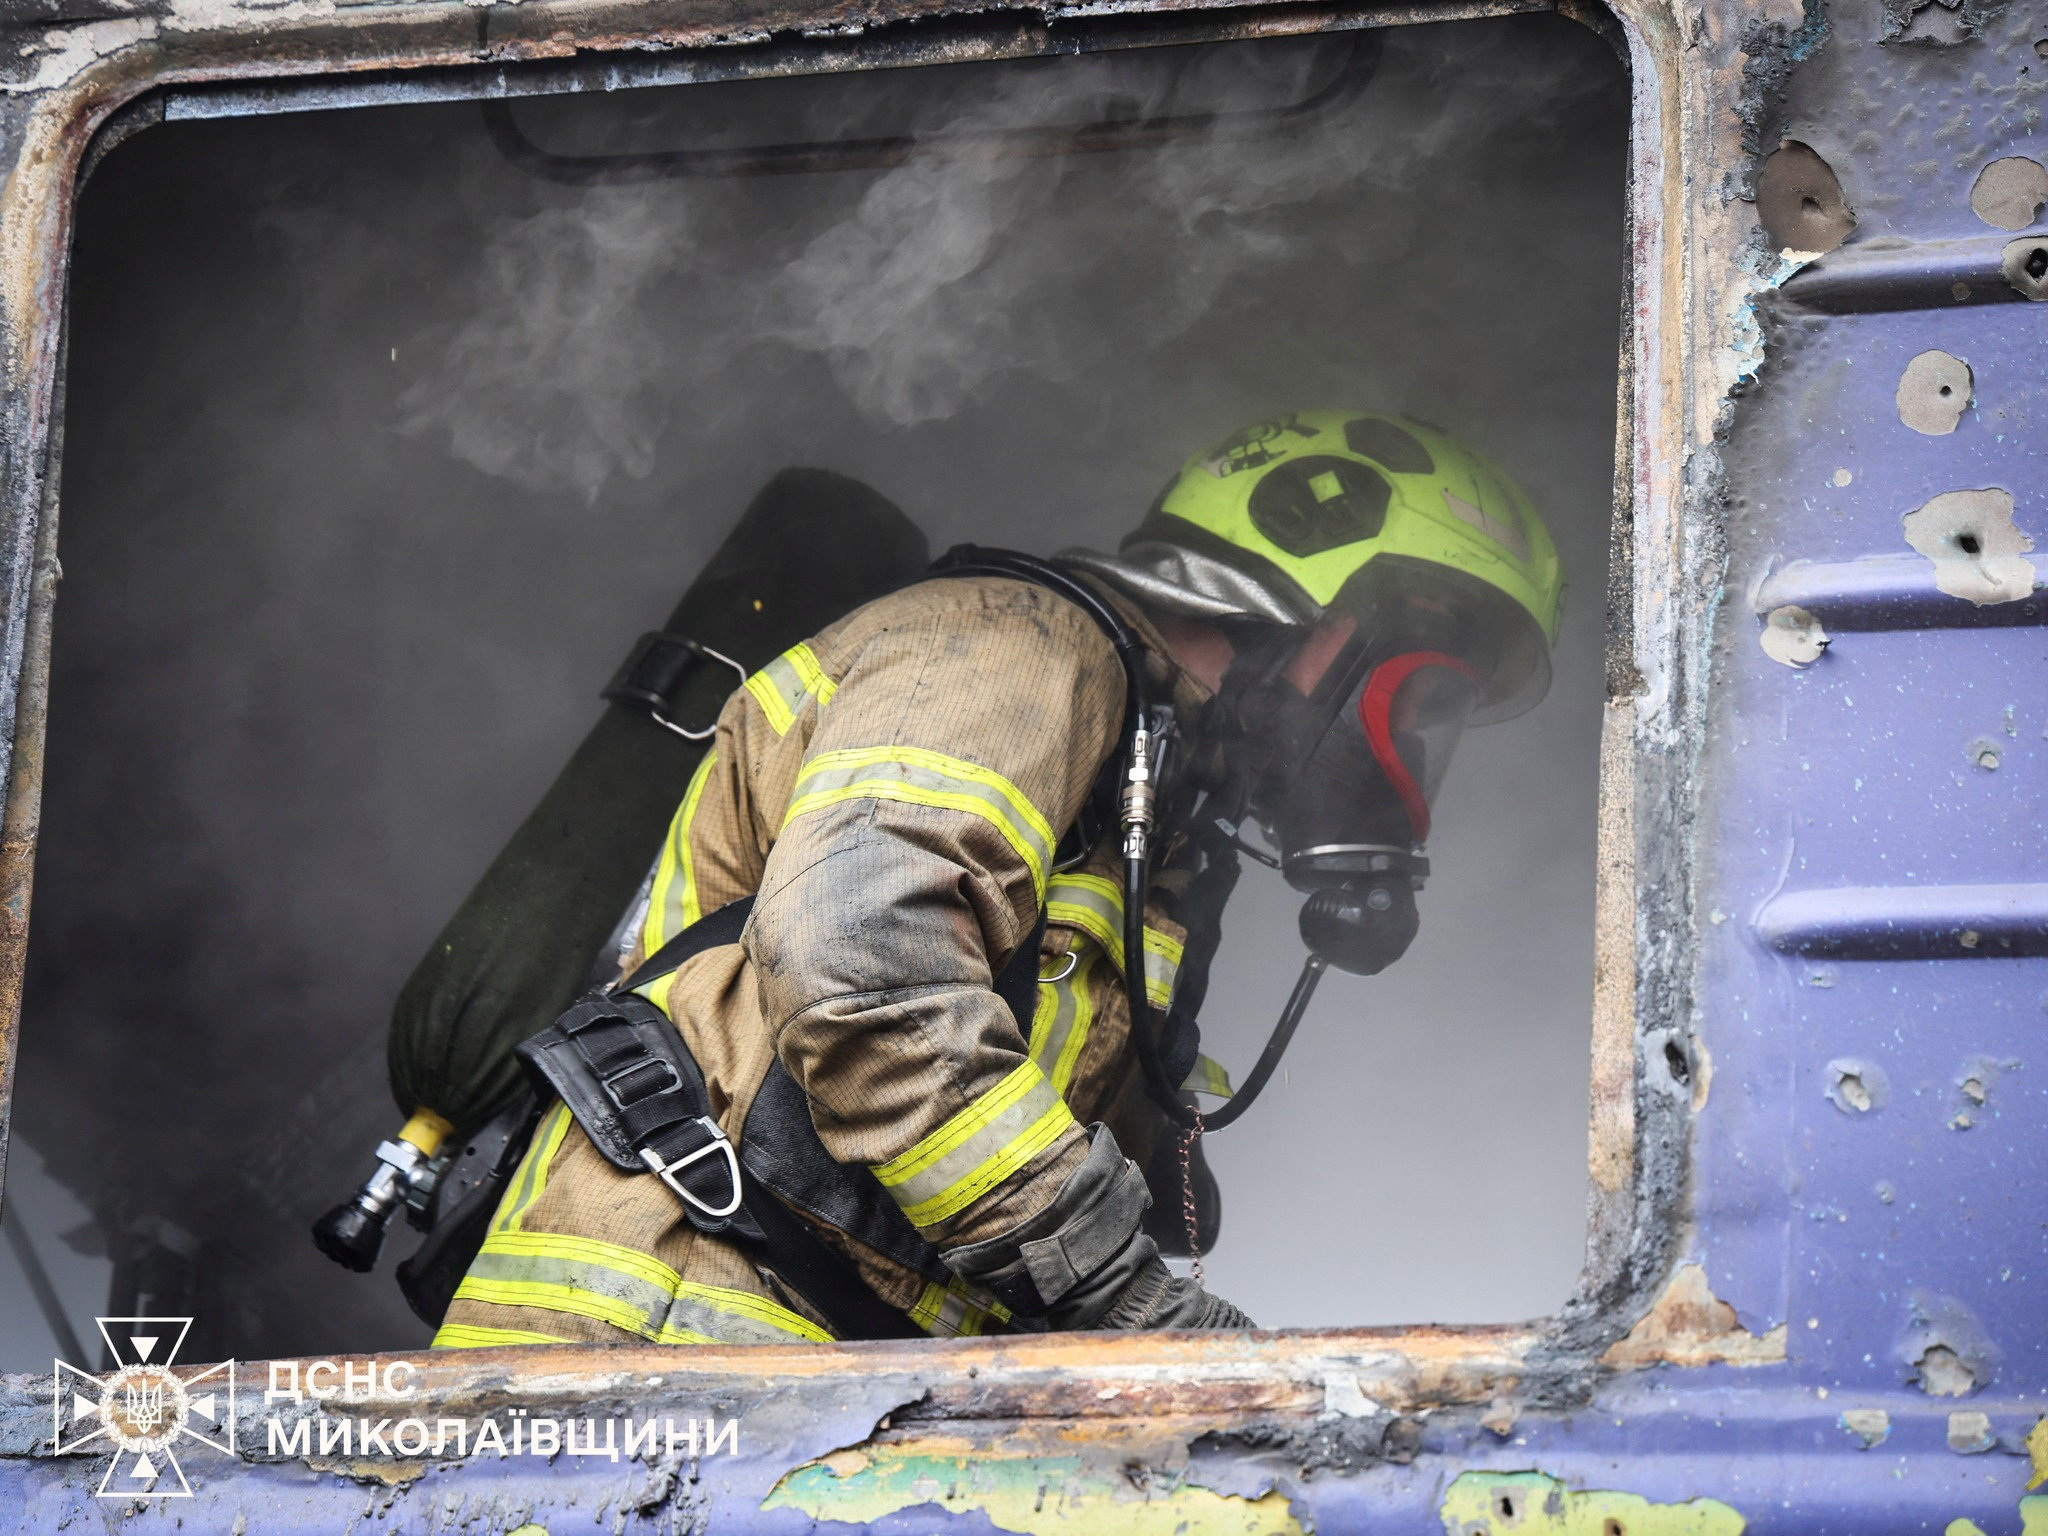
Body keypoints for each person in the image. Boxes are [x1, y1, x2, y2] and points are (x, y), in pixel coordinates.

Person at [432, 409, 1563, 1348]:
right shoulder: (1016, 648)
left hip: (788, 1380)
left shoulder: (1146, 804)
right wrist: (1126, 1303)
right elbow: (864, 967)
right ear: (1327, 609)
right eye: (1417, 699)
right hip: (653, 1357)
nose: (1404, 755)